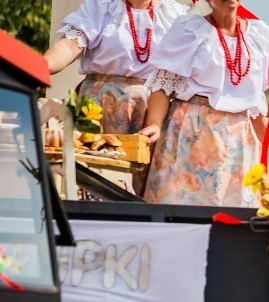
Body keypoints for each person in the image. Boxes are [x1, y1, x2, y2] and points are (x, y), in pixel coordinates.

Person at [44, 0, 189, 195]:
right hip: (100, 107)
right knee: (94, 177)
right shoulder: (102, 6)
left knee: (140, 185)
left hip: (152, 109)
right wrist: (38, 67)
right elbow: (69, 47)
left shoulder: (175, 15)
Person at [139, 0, 269, 207]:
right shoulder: (189, 29)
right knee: (178, 207)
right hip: (192, 130)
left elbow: (255, 98)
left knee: (231, 213)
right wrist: (154, 124)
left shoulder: (258, 35)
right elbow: (163, 83)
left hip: (237, 138)